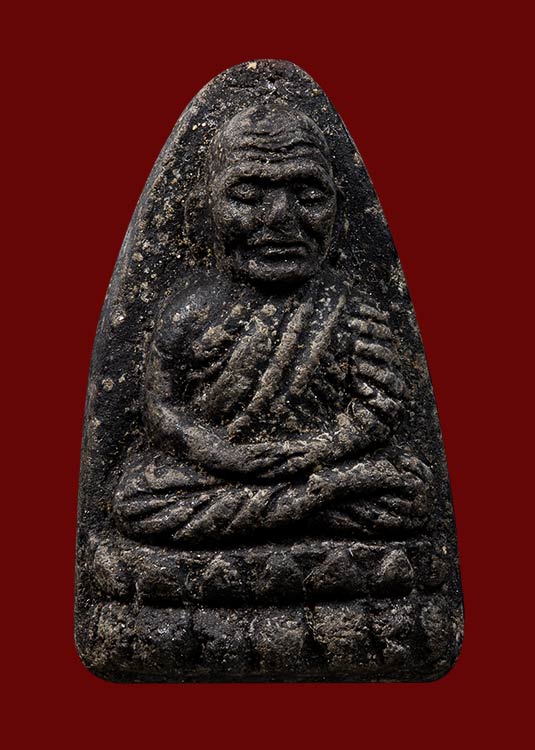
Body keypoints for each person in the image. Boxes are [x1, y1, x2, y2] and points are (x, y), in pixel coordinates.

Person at [113, 105, 429, 545]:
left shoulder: (350, 310)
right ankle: (301, 508)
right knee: (137, 497)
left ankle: (285, 509)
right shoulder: (189, 312)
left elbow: (379, 406)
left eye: (309, 195)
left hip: (318, 469)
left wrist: (314, 450)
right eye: (248, 194)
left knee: (408, 490)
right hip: (226, 474)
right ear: (204, 207)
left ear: (338, 208)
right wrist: (220, 453)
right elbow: (162, 409)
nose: (280, 216)